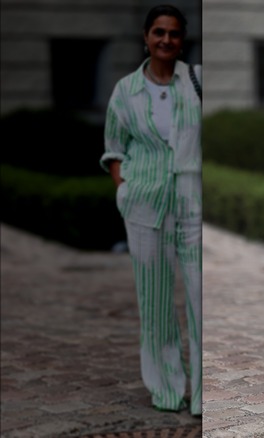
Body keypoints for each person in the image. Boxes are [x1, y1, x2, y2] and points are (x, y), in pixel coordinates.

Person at [100, 4, 202, 416]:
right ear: (146, 37)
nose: (166, 39)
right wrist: (125, 190)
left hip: (193, 204)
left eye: (174, 33)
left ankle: (204, 395)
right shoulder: (125, 90)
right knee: (155, 303)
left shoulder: (197, 80)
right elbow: (114, 149)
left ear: (182, 41)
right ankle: (165, 388)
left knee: (201, 300)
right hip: (144, 205)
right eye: (158, 32)